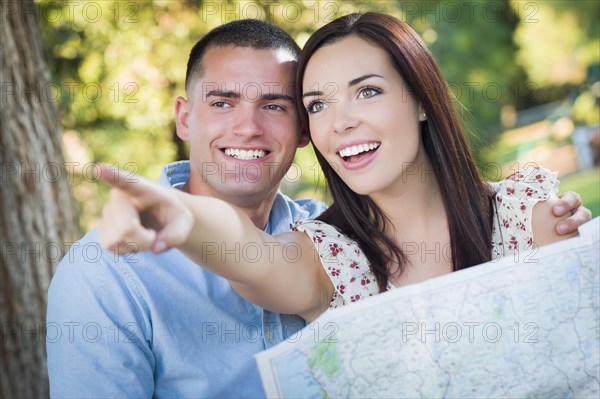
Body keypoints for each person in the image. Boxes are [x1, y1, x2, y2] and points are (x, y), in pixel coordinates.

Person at [49, 17, 588, 398]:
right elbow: (245, 251)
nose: (342, 121)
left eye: (368, 92)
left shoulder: (528, 217)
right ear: (185, 117)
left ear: (422, 97)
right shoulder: (334, 257)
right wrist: (172, 214)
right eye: (320, 104)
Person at [46, 20, 328, 398]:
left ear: (304, 128)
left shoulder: (333, 236)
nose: (248, 127)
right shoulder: (102, 274)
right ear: (184, 118)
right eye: (223, 103)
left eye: (274, 105)